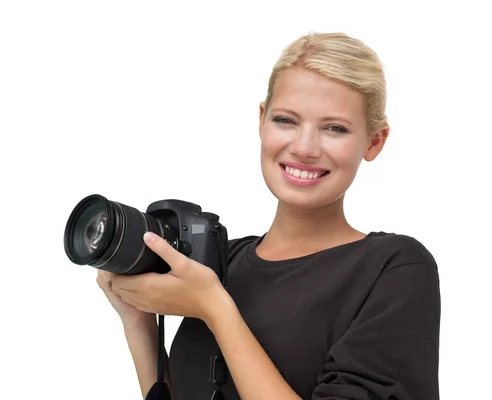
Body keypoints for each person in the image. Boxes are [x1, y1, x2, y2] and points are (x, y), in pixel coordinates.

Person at [98, 32, 441, 400]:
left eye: (334, 128)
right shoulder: (220, 263)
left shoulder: (394, 269)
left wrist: (216, 309)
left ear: (375, 141)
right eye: (286, 120)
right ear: (262, 120)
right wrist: (139, 324)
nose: (304, 148)